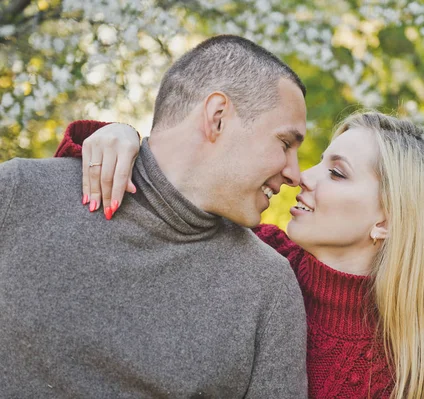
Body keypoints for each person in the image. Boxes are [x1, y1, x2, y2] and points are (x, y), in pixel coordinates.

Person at [58, 111, 424, 398]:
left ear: (387, 220)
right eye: (319, 161)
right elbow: (119, 216)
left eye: (337, 173)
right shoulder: (253, 248)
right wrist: (116, 141)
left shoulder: (411, 372)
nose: (302, 176)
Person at [0, 35, 310, 398]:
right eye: (286, 144)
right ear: (218, 117)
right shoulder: (19, 192)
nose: (295, 173)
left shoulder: (269, 287)